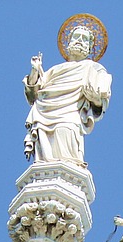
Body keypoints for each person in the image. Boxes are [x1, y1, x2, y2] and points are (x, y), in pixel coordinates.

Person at [23, 26, 111, 166]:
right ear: (69, 42)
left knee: (66, 137)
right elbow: (33, 94)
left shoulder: (93, 68)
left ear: (89, 48)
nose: (80, 41)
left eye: (84, 39)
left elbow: (101, 98)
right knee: (44, 155)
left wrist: (95, 98)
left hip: (70, 112)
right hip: (44, 112)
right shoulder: (54, 70)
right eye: (76, 37)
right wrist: (35, 70)